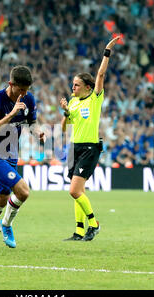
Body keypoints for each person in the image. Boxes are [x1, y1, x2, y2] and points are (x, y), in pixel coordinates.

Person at [0, 65, 45, 250]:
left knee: (1, 197)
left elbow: (32, 123)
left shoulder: (28, 98)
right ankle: (6, 224)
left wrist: (37, 132)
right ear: (10, 84)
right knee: (23, 191)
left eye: (27, 89)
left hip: (11, 154)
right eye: (20, 89)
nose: (23, 93)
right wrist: (12, 114)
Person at [60, 36, 120, 241]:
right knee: (79, 191)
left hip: (89, 148)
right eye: (72, 85)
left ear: (87, 86)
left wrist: (107, 51)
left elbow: (101, 73)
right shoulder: (73, 103)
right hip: (74, 147)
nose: (73, 88)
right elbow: (64, 128)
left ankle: (94, 224)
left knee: (74, 191)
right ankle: (78, 230)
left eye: (76, 85)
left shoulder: (95, 98)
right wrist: (66, 112)